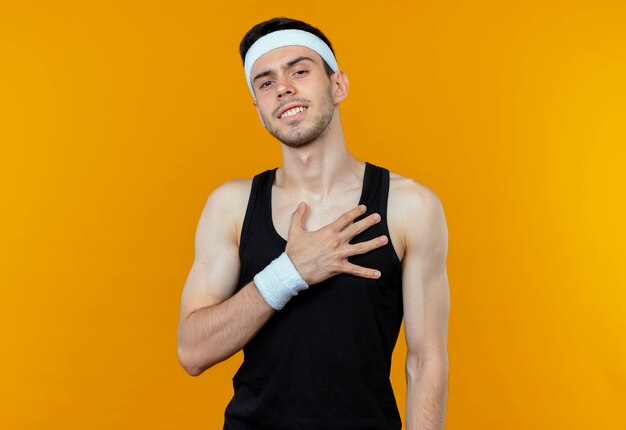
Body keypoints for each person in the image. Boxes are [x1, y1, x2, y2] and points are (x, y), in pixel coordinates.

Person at [177, 17, 450, 430]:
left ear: (337, 85)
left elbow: (426, 360)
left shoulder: (409, 206)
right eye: (265, 82)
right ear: (259, 108)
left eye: (299, 71)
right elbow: (193, 351)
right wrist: (289, 272)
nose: (283, 87)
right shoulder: (230, 206)